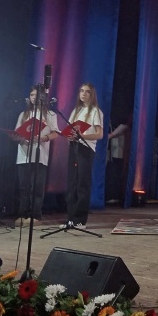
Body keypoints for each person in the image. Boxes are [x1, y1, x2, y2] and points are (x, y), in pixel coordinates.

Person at [11, 85, 59, 227]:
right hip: (23, 153)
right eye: (31, 95)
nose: (33, 98)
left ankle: (35, 215)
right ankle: (22, 213)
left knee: (37, 187)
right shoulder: (24, 114)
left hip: (40, 154)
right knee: (23, 187)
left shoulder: (50, 115)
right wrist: (18, 138)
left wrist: (44, 138)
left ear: (43, 97)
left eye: (36, 95)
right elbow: (16, 132)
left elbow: (55, 133)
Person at [61, 83, 104, 229]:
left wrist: (82, 136)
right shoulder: (76, 111)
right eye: (81, 91)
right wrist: (70, 136)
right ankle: (70, 218)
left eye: (87, 92)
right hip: (74, 147)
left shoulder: (96, 111)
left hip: (86, 148)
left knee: (82, 184)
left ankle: (80, 220)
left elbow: (99, 134)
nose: (83, 94)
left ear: (92, 95)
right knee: (72, 183)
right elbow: (70, 130)